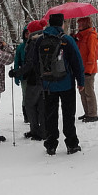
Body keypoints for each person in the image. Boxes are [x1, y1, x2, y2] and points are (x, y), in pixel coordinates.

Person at [32, 13, 85, 155]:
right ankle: (72, 144)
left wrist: (41, 80)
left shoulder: (40, 40)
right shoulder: (66, 40)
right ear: (62, 24)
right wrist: (81, 81)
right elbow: (77, 62)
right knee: (68, 114)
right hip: (66, 83)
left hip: (48, 85)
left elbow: (35, 62)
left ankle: (51, 144)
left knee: (50, 114)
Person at [17, 19, 48, 140]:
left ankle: (35, 130)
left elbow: (30, 63)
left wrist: (18, 72)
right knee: (41, 106)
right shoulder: (44, 39)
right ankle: (43, 130)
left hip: (33, 79)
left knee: (30, 105)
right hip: (44, 78)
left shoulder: (33, 42)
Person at [74, 16, 98, 122]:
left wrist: (88, 70)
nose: (78, 26)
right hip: (81, 68)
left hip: (88, 69)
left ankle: (92, 114)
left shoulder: (91, 36)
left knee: (89, 92)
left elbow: (92, 54)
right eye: (78, 24)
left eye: (80, 23)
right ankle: (87, 112)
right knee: (82, 92)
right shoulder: (80, 36)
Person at [13, 26, 30, 124]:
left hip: (35, 75)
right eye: (26, 33)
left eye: (29, 33)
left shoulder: (36, 44)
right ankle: (26, 115)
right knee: (25, 95)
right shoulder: (20, 47)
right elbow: (16, 62)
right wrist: (16, 75)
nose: (27, 35)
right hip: (24, 74)